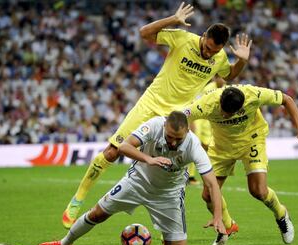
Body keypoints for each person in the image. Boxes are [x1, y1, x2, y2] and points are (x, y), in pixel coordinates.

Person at [62, 2, 252, 229]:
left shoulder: (219, 58)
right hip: (150, 104)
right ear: (203, 36)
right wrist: (172, 19)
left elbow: (229, 75)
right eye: (208, 46)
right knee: (113, 151)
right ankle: (78, 198)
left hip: (176, 115)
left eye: (214, 50)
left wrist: (242, 60)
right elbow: (144, 33)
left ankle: (192, 226)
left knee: (175, 168)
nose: (208, 52)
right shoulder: (183, 39)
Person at [35, 111, 226, 245]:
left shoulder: (194, 145)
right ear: (164, 125)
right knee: (98, 213)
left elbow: (211, 184)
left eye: (178, 139)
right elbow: (124, 146)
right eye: (169, 137)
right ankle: (64, 243)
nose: (173, 143)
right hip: (137, 182)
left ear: (187, 132)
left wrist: (217, 216)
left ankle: (166, 236)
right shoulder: (154, 125)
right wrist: (149, 159)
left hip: (169, 195)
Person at [183, 84, 298, 245]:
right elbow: (181, 117)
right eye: (223, 111)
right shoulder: (207, 103)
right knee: (208, 195)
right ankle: (228, 226)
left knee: (258, 191)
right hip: (221, 147)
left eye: (230, 113)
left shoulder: (254, 95)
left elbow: (286, 99)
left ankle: (281, 214)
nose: (224, 115)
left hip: (252, 140)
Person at [188, 76, 226, 185]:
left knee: (209, 148)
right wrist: (193, 122)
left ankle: (210, 174)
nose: (222, 80)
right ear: (215, 78)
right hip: (200, 121)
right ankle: (190, 176)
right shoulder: (208, 89)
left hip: (210, 123)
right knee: (194, 146)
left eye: (224, 78)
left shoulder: (226, 89)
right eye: (220, 78)